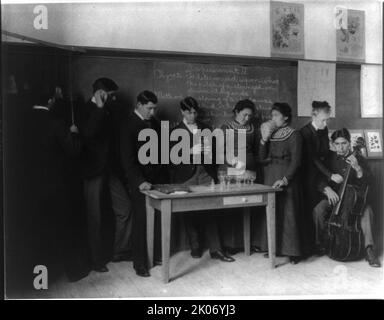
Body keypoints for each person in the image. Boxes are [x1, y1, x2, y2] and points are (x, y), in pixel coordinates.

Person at [24, 89, 83, 282]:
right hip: (55, 185)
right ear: (49, 101)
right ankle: (72, 272)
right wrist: (73, 134)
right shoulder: (57, 123)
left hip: (27, 187)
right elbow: (73, 151)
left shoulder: (20, 121)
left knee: (36, 229)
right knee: (64, 226)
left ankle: (37, 274)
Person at [169, 97, 235, 262]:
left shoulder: (206, 128)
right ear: (182, 112)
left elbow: (215, 154)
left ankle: (216, 249)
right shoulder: (174, 131)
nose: (193, 115)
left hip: (205, 172)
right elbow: (171, 158)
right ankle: (195, 246)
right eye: (189, 112)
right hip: (186, 175)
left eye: (194, 112)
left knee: (212, 209)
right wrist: (191, 151)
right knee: (188, 211)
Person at [81, 77, 132, 273]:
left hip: (111, 170)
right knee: (95, 217)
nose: (114, 98)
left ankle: (120, 251)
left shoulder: (112, 111)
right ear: (101, 93)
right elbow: (88, 133)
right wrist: (100, 109)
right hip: (93, 171)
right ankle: (96, 260)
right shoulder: (85, 110)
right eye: (111, 95)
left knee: (125, 209)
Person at [312, 128, 381, 268]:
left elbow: (370, 182)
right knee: (318, 210)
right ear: (333, 145)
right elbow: (318, 179)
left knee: (367, 212)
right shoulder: (330, 158)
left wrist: (358, 168)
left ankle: (369, 250)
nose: (340, 147)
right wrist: (327, 189)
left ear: (349, 143)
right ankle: (321, 244)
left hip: (353, 201)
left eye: (344, 143)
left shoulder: (359, 158)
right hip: (334, 198)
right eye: (337, 144)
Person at [120, 90, 167, 277]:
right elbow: (126, 158)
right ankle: (139, 263)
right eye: (149, 108)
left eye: (154, 108)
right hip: (140, 182)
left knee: (155, 219)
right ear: (139, 104)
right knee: (141, 221)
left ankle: (153, 256)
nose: (152, 112)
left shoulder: (153, 123)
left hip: (155, 180)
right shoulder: (127, 124)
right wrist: (139, 181)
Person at [253, 103, 303, 264]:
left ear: (286, 117)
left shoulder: (295, 134)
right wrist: (263, 140)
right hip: (270, 175)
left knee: (288, 213)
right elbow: (261, 159)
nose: (272, 119)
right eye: (272, 115)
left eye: (276, 115)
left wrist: (285, 179)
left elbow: (296, 161)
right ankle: (273, 248)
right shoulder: (271, 134)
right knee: (272, 212)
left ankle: (293, 252)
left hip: (287, 177)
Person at [219, 99, 262, 253]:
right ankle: (231, 245)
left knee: (250, 206)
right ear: (236, 112)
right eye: (244, 115)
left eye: (250, 116)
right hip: (232, 172)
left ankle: (249, 242)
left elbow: (257, 151)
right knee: (232, 207)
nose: (247, 118)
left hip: (249, 173)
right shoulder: (226, 128)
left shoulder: (252, 128)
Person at [300, 101, 340, 253]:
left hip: (321, 175)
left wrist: (339, 156)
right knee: (309, 211)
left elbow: (325, 153)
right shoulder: (305, 132)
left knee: (319, 211)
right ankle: (310, 247)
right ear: (314, 115)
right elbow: (313, 159)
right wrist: (330, 174)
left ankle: (319, 244)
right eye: (323, 119)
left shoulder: (323, 129)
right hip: (309, 177)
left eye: (327, 119)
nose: (326, 122)